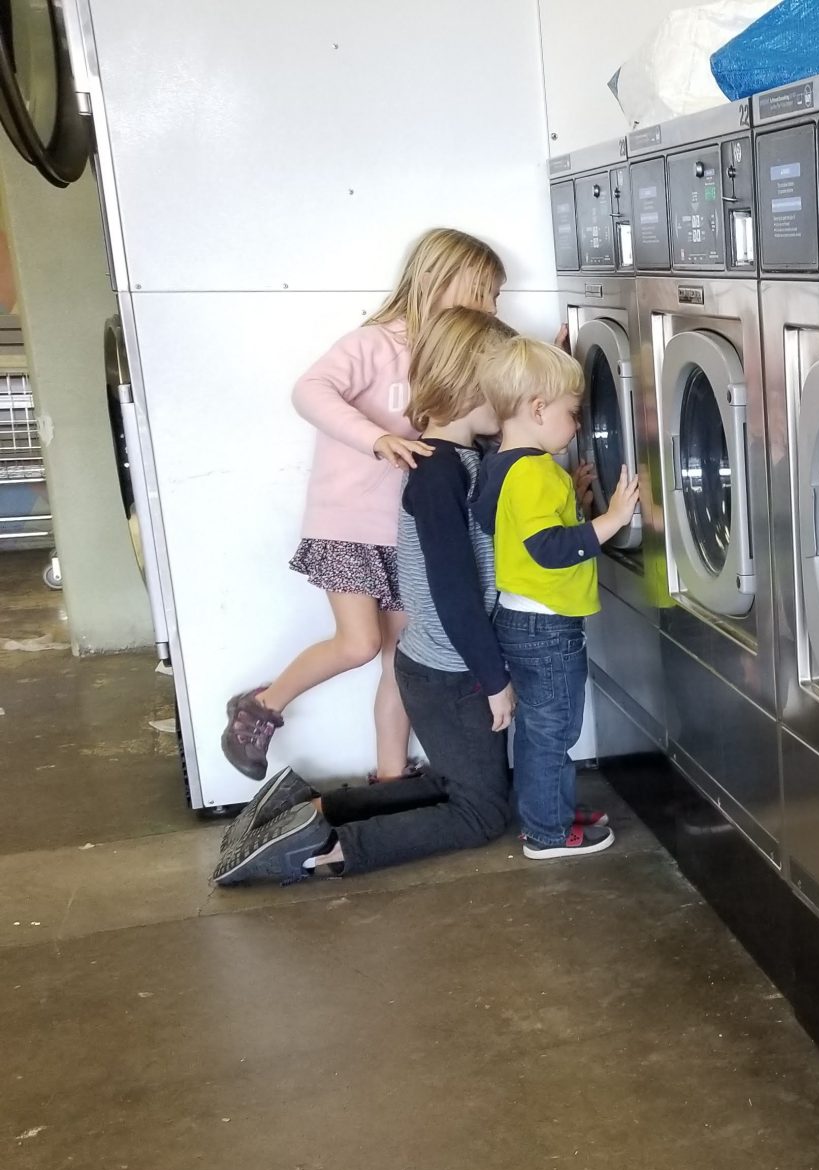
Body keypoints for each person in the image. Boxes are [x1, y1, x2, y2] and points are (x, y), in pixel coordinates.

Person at [215, 306, 546, 885]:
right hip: (452, 671)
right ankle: (323, 852)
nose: (514, 403)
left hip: (437, 664)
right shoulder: (441, 471)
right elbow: (454, 591)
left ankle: (312, 811)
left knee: (450, 785)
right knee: (482, 813)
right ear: (474, 385)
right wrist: (495, 679)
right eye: (508, 389)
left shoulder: (458, 459)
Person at [220, 228, 507, 783]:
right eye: (485, 292)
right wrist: (375, 438)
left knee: (400, 661)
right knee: (360, 643)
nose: (494, 306)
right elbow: (310, 390)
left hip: (407, 536)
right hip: (349, 524)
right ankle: (261, 706)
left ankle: (391, 779)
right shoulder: (376, 343)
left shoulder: (457, 357)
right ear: (436, 281)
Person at [477, 336, 640, 860]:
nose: (577, 427)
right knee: (554, 730)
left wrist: (570, 492)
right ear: (538, 409)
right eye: (573, 414)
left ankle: (549, 809)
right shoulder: (532, 471)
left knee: (542, 729)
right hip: (548, 626)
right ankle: (546, 832)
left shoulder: (503, 464)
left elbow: (497, 523)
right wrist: (609, 520)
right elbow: (547, 549)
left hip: (520, 619)